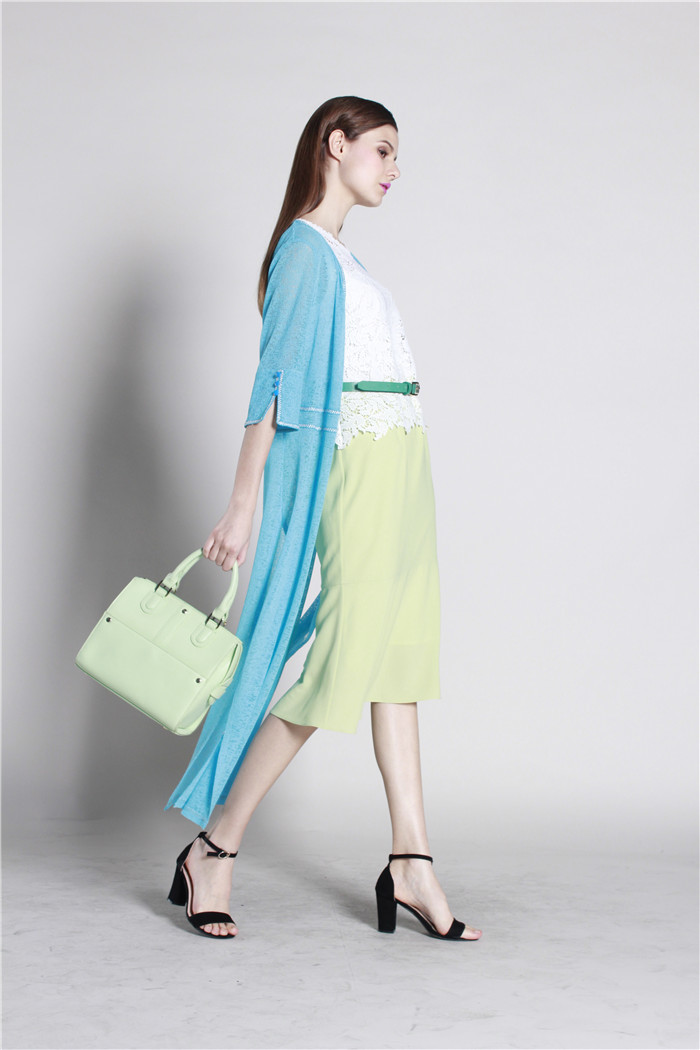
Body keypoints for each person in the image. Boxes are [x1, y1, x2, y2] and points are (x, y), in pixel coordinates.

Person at [165, 96, 482, 942]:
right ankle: (215, 846)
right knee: (341, 662)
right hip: (357, 464)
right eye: (383, 149)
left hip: (403, 461)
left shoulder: (345, 257)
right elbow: (272, 387)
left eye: (397, 154)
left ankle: (411, 860)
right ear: (335, 146)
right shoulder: (305, 251)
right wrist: (243, 503)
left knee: (400, 658)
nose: (395, 168)